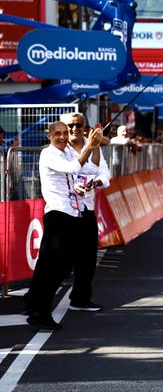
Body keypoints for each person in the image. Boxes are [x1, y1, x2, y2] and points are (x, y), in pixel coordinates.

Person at [23, 121, 102, 331]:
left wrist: (95, 146)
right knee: (53, 267)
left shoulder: (67, 151)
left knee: (58, 266)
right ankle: (39, 312)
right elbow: (72, 167)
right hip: (58, 214)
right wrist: (89, 146)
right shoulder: (48, 154)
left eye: (64, 133)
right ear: (49, 136)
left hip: (72, 212)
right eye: (57, 133)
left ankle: (35, 306)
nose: (62, 137)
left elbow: (89, 169)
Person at [60, 112, 111, 312]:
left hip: (86, 209)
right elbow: (68, 173)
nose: (74, 130)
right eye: (70, 126)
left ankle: (80, 298)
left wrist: (95, 183)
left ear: (84, 128)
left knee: (88, 257)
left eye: (78, 126)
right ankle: (35, 301)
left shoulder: (94, 147)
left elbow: (103, 173)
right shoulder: (59, 150)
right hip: (64, 211)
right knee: (58, 259)